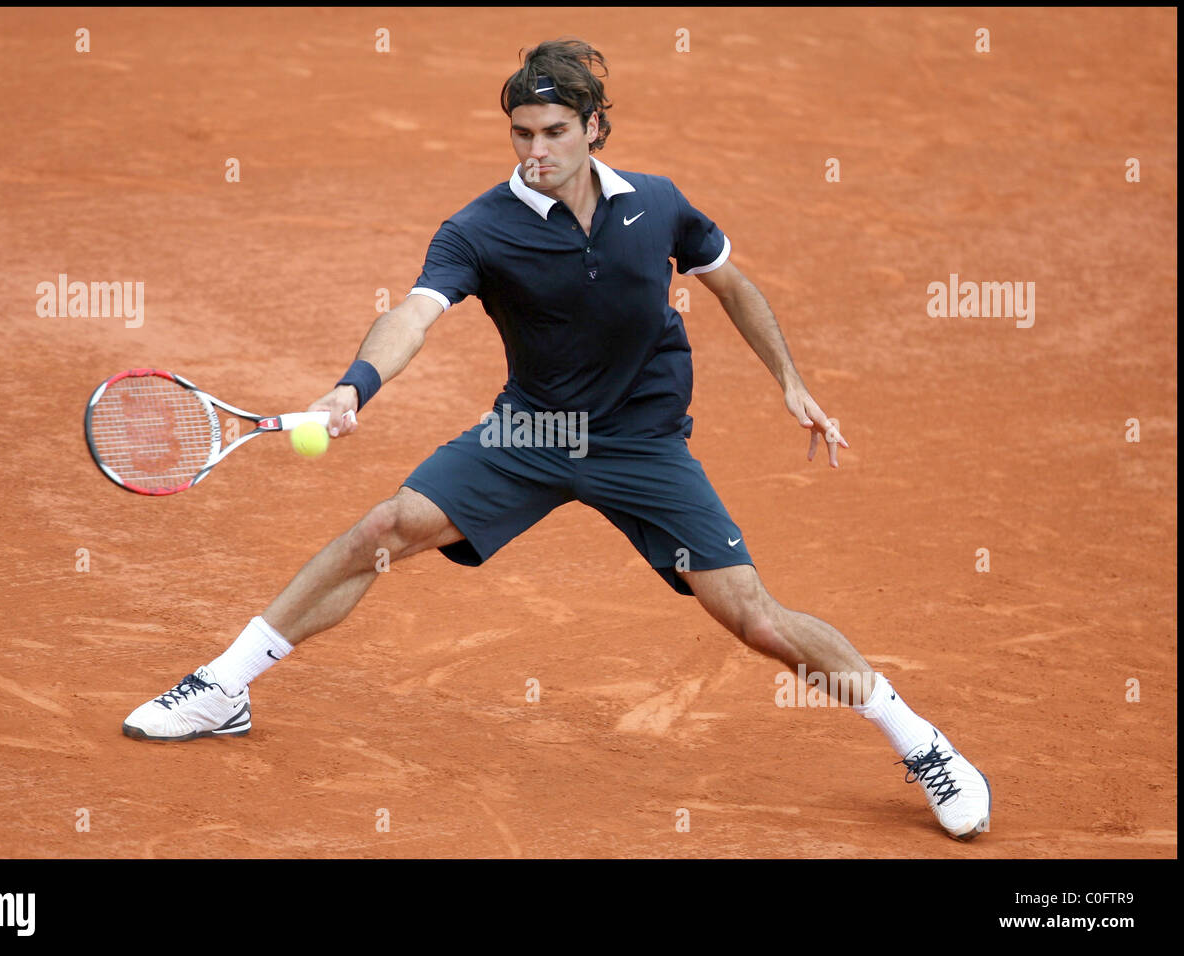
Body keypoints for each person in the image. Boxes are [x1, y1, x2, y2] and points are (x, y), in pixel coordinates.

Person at [122, 39, 991, 841]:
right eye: (521, 133)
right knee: (380, 530)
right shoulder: (480, 228)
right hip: (531, 431)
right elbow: (415, 315)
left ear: (595, 129)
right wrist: (355, 386)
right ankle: (222, 688)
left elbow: (733, 284)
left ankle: (922, 743)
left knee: (755, 619)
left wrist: (792, 382)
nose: (534, 150)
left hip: (642, 442)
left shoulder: (658, 204)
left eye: (554, 131)